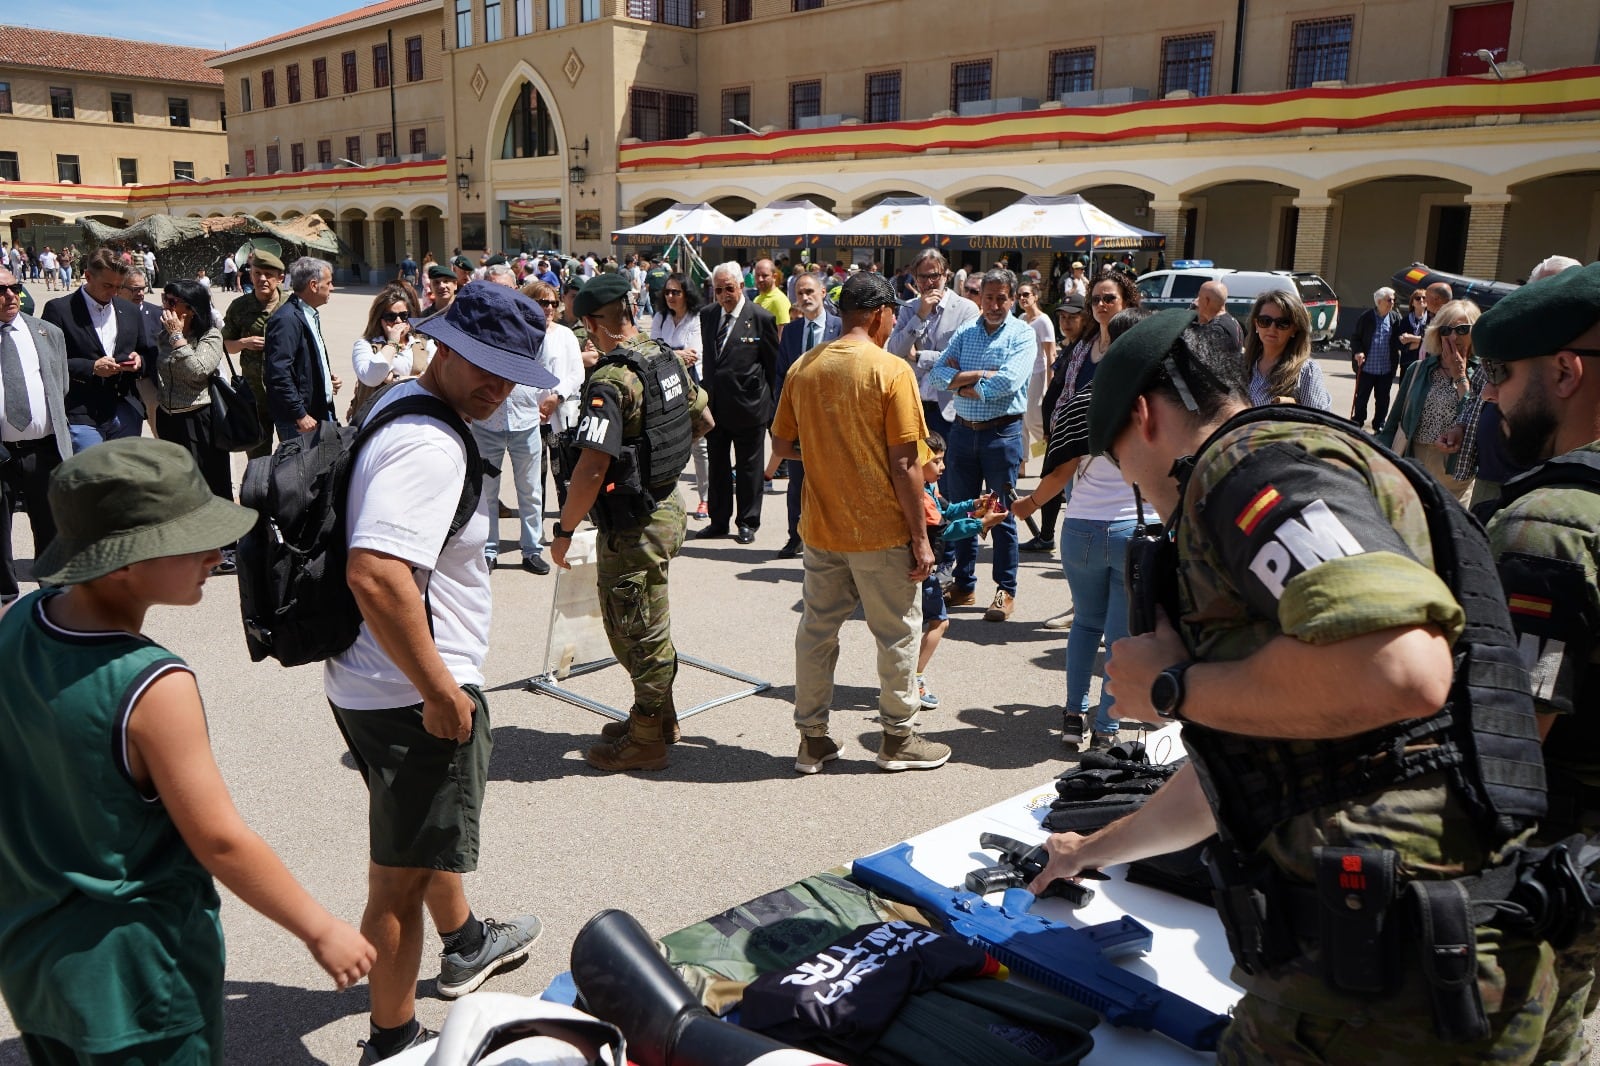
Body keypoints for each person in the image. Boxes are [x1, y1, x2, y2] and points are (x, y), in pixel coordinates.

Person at [1038, 308, 1560, 1063]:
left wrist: (1171, 688)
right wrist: (1090, 848)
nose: (1134, 488)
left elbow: (1398, 669)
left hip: (1386, 984)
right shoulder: (1305, 451)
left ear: (1143, 420)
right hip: (1424, 954)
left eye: (1118, 462)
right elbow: (1252, 759)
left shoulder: (1247, 469)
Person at [0, 438, 374, 1065]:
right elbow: (220, 839)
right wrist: (320, 927)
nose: (215, 552)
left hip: (36, 958)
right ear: (123, 562)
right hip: (140, 980)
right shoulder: (153, 684)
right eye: (192, 538)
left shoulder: (23, 619)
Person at [330, 282, 555, 1063]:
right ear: (445, 347)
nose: (498, 387)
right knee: (395, 879)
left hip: (373, 680)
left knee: (421, 843)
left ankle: (464, 941)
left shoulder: (399, 401)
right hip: (409, 691)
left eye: (512, 374)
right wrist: (442, 692)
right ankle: (392, 1040)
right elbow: (378, 575)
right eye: (485, 367)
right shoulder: (430, 442)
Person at [1475, 260, 1600, 1064]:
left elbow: (1510, 743)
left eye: (1500, 373)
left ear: (1564, 369)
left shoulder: (1546, 526)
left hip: (1530, 890)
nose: (1488, 394)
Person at [770, 272, 949, 774]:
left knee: (817, 632)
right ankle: (897, 739)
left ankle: (812, 740)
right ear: (878, 315)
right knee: (896, 633)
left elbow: (782, 446)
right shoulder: (890, 371)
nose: (895, 320)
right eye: (894, 313)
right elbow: (906, 464)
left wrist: (829, 455)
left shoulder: (804, 367)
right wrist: (921, 538)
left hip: (822, 529)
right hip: (880, 531)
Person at [549, 273, 712, 772]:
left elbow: (592, 466)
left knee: (635, 628)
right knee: (645, 620)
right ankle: (658, 717)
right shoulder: (664, 357)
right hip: (666, 506)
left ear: (594, 322)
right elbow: (702, 420)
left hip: (634, 524)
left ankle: (647, 739)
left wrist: (564, 530)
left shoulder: (612, 380)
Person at [1012, 306, 1157, 749]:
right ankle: (1107, 728)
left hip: (1081, 530)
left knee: (1084, 626)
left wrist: (1028, 505)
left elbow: (1058, 474)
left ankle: (1072, 716)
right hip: (1135, 531)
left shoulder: (1082, 400)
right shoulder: (1158, 407)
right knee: (1118, 634)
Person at [928, 267, 1043, 622]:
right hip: (962, 431)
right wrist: (978, 376)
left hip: (1001, 433)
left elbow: (1008, 383)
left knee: (1002, 512)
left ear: (1013, 298)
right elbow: (936, 375)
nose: (994, 305)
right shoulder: (967, 331)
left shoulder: (1022, 334)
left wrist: (959, 383)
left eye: (1001, 298)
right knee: (964, 510)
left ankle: (1005, 589)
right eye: (988, 297)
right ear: (981, 298)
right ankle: (964, 583)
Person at [914, 432, 1006, 710]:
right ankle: (913, 679)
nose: (942, 467)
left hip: (916, 569)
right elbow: (947, 529)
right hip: (921, 570)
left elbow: (948, 511)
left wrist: (974, 506)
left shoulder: (927, 488)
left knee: (907, 628)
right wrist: (981, 523)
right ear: (920, 463)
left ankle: (903, 679)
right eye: (937, 462)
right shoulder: (922, 495)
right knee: (939, 622)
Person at [153, 279, 236, 571]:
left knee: (213, 481)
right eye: (165, 299)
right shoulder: (161, 334)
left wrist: (178, 339)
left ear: (191, 308)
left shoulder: (210, 336)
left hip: (201, 417)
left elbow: (199, 371)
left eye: (173, 302)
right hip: (170, 417)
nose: (166, 306)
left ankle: (227, 548)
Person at [0, 267, 71, 608]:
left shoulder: (47, 332)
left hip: (44, 450)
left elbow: (61, 387)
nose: (11, 296)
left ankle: (53, 597)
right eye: (1, 291)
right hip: (1, 454)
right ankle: (4, 599)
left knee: (50, 526)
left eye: (14, 287)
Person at [696, 261, 780, 545]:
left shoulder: (761, 318)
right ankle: (718, 521)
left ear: (742, 286)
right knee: (717, 468)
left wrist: (769, 409)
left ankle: (747, 522)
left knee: (748, 470)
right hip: (716, 408)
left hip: (749, 408)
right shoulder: (707, 316)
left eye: (728, 289)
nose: (723, 295)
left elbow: (772, 367)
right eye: (718, 290)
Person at [765, 270, 840, 559]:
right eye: (800, 294)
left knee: (831, 483)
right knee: (797, 482)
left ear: (823, 292)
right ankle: (794, 536)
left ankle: (832, 540)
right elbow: (782, 374)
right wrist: (782, 415)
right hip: (799, 420)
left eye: (810, 292)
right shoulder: (793, 331)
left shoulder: (839, 327)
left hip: (832, 422)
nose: (805, 297)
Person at [1377, 298, 1482, 503]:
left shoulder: (1483, 373)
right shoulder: (1418, 369)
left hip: (1456, 472)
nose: (1453, 336)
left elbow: (1473, 413)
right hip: (1414, 462)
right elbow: (1393, 421)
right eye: (1446, 330)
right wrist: (1380, 461)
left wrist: (1460, 374)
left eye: (1461, 329)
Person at [42, 248, 146, 452]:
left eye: (119, 286)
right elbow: (47, 360)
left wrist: (140, 360)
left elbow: (147, 352)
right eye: (108, 285)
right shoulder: (59, 310)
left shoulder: (130, 311)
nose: (115, 292)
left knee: (124, 479)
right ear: (88, 276)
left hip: (124, 409)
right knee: (91, 479)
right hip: (80, 412)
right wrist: (91, 367)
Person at [264, 256, 342, 442]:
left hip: (319, 410)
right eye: (329, 283)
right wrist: (299, 413)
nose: (332, 288)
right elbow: (278, 373)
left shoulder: (307, 314)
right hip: (301, 422)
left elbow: (303, 361)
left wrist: (325, 380)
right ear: (314, 285)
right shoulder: (286, 320)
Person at [651, 272, 708, 519]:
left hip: (691, 387)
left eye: (676, 292)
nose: (671, 296)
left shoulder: (697, 318)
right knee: (667, 444)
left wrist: (668, 354)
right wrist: (676, 354)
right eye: (667, 292)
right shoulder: (660, 317)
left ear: (687, 294)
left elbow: (694, 354)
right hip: (663, 388)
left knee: (700, 446)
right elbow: (650, 351)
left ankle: (705, 499)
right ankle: (667, 499)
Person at [350, 284, 433, 421]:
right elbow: (372, 377)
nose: (398, 321)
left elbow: (434, 380)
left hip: (415, 417)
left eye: (403, 315)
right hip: (376, 419)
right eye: (391, 317)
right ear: (379, 319)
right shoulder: (365, 345)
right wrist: (392, 343)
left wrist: (394, 379)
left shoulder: (425, 344)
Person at [1243, 287, 1332, 410]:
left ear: (1294, 329)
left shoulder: (1306, 371)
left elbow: (1317, 423)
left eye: (1282, 323)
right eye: (1265, 321)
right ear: (1256, 324)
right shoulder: (1241, 364)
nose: (1272, 328)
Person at [1016, 279, 1056, 481]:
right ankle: (1022, 466)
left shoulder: (1044, 321)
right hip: (1021, 376)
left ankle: (1051, 453)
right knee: (1021, 421)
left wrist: (1051, 383)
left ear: (1035, 297)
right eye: (1019, 295)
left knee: (1033, 420)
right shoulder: (1022, 318)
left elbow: (1051, 355)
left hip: (1038, 374)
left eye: (1026, 295)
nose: (1022, 299)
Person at [1351, 286, 1403, 430]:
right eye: (1389, 300)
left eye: (1393, 300)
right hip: (1367, 367)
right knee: (1361, 398)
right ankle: (1358, 421)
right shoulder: (1366, 317)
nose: (1392, 302)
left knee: (1382, 399)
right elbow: (1355, 338)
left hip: (1385, 368)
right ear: (1379, 301)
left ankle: (1379, 423)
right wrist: (1358, 351)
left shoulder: (1395, 318)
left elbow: (1398, 339)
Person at [1191, 279, 1243, 352]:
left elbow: (1204, 358)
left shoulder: (1216, 329)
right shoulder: (1231, 320)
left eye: (1199, 297)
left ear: (1207, 301)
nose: (1197, 301)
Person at [1397, 289, 1431, 373]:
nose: (1421, 300)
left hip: (1426, 364)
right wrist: (1423, 342)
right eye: (1418, 298)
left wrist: (1411, 338)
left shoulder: (1432, 320)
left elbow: (1433, 341)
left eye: (1424, 297)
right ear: (1412, 303)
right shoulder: (1405, 321)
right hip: (1408, 364)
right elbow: (1400, 344)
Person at [751, 258, 791, 327]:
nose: (760, 279)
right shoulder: (757, 299)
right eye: (757, 275)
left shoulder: (779, 300)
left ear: (774, 277)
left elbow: (782, 333)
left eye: (765, 276)